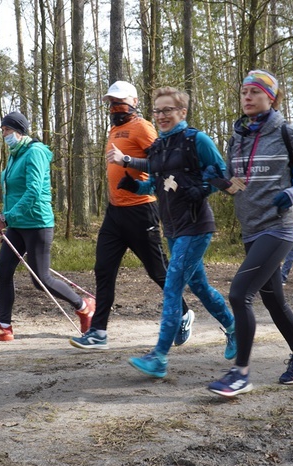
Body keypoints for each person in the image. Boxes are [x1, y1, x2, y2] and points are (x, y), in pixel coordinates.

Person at [207, 70, 293, 397]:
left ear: (270, 98)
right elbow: (237, 184)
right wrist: (216, 182)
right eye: (243, 92)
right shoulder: (237, 137)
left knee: (239, 293)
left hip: (280, 227)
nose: (246, 97)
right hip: (251, 229)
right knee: (273, 300)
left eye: (254, 92)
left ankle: (240, 373)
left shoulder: (287, 132)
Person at [111, 86, 237, 378]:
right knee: (201, 287)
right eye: (157, 110)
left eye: (168, 110)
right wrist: (134, 186)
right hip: (173, 228)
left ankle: (159, 357)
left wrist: (202, 189)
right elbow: (155, 185)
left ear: (182, 112)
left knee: (171, 288)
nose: (162, 115)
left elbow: (220, 173)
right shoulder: (158, 147)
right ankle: (234, 329)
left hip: (196, 225)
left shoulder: (197, 140)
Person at [69, 81, 194, 350]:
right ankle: (98, 333)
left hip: (141, 210)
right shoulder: (114, 129)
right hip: (115, 213)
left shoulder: (143, 127)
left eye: (120, 102)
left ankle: (183, 312)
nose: (115, 107)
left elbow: (163, 161)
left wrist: (126, 160)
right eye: (111, 103)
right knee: (103, 270)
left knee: (158, 271)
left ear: (134, 102)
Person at [0, 111, 95, 341]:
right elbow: (13, 192)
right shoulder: (14, 156)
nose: (4, 134)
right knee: (3, 270)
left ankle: (84, 306)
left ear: (19, 130)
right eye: (2, 131)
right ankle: (4, 326)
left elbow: (33, 191)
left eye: (7, 130)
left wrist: (6, 218)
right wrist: (6, 218)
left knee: (41, 280)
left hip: (38, 223)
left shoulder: (35, 152)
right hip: (17, 225)